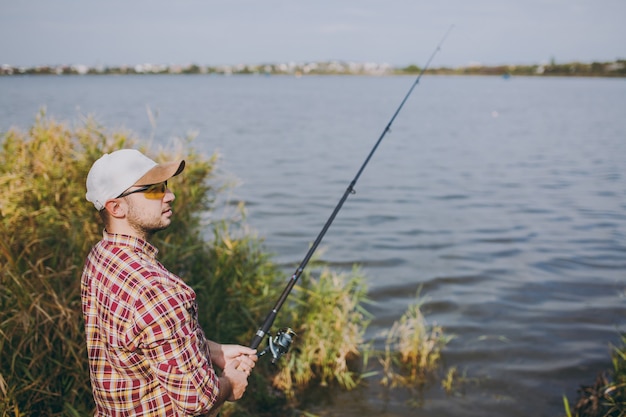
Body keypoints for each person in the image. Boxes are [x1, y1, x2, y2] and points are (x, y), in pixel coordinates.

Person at [81, 149, 257, 416]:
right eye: (153, 190)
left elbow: (140, 342)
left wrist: (215, 351)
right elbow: (197, 400)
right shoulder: (157, 290)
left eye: (165, 186)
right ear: (116, 207)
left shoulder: (100, 258)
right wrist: (231, 384)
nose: (170, 195)